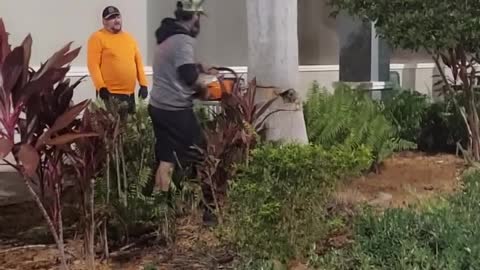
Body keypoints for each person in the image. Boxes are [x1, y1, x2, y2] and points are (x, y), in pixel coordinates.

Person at [149, 0, 217, 224]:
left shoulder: (167, 36)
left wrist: (199, 67)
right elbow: (187, 75)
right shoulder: (184, 40)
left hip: (158, 107)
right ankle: (208, 211)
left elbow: (176, 68)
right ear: (195, 17)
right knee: (202, 155)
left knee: (166, 158)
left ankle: (161, 214)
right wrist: (204, 89)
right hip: (176, 110)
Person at [87, 5, 149, 115]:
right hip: (109, 94)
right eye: (111, 18)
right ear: (104, 21)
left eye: (117, 16)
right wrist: (101, 87)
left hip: (129, 94)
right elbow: (93, 65)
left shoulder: (129, 38)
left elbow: (138, 62)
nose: (116, 20)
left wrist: (143, 84)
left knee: (128, 130)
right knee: (112, 130)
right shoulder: (97, 37)